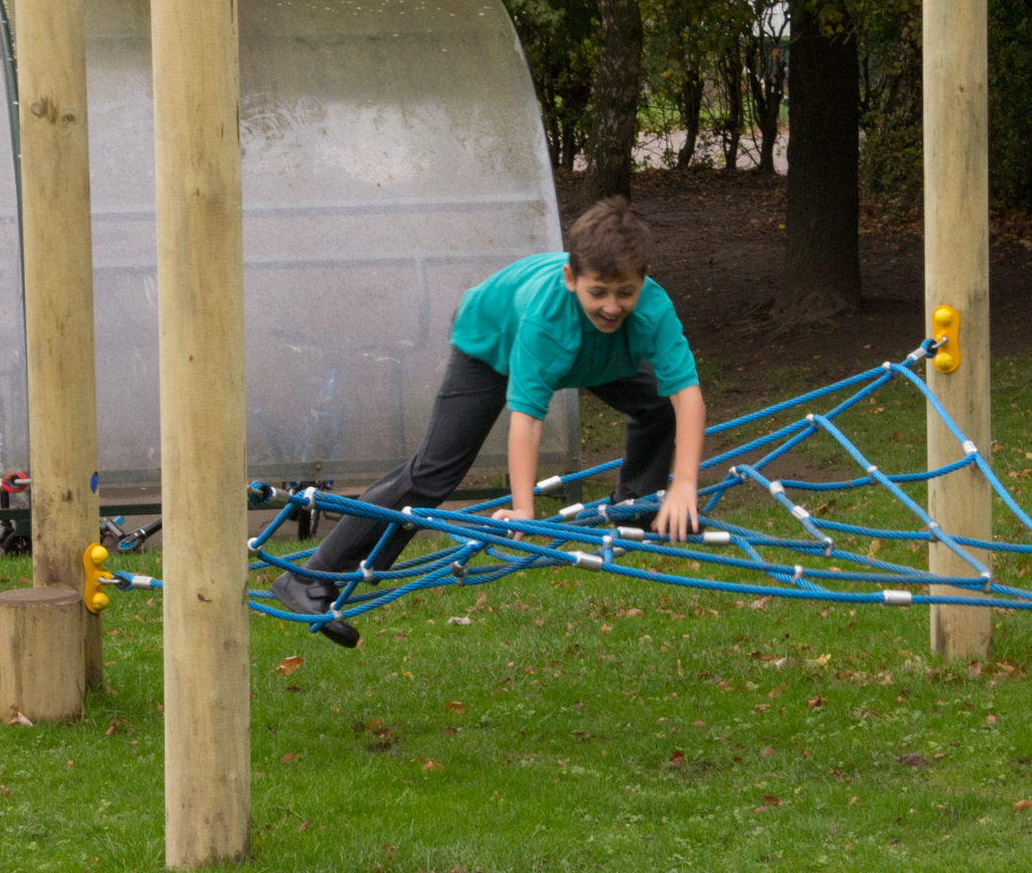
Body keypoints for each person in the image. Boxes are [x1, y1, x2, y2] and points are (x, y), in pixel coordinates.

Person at [272, 197, 706, 646]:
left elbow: (687, 395)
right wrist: (522, 507)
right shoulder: (547, 321)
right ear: (571, 279)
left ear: (643, 282)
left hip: (591, 353)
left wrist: (684, 485)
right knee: (434, 473)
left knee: (657, 402)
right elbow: (527, 418)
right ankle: (311, 578)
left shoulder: (651, 308)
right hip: (492, 340)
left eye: (625, 293)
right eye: (599, 292)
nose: (613, 306)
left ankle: (637, 504)